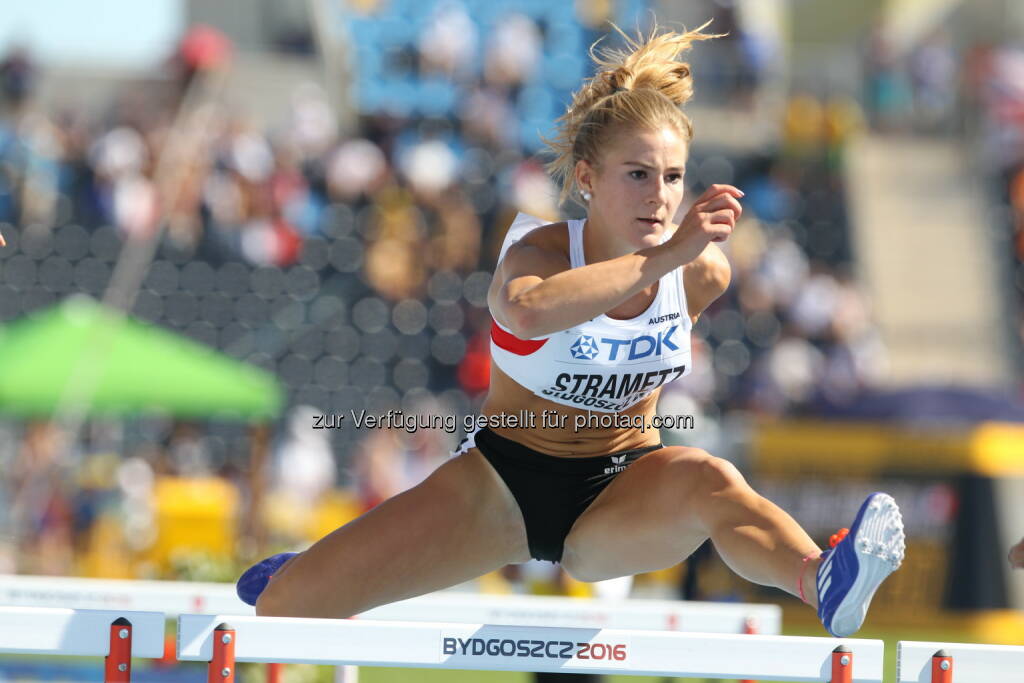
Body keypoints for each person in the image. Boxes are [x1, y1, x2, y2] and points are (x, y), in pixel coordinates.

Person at [238, 23, 905, 639]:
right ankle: (307, 569)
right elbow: (527, 312)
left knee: (710, 476)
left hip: (622, 493)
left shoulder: (701, 272)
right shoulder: (538, 252)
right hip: (503, 486)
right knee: (283, 608)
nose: (661, 196)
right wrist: (662, 256)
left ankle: (821, 576)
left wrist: (671, 259)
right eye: (639, 175)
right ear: (587, 177)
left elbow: (675, 276)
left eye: (673, 177)